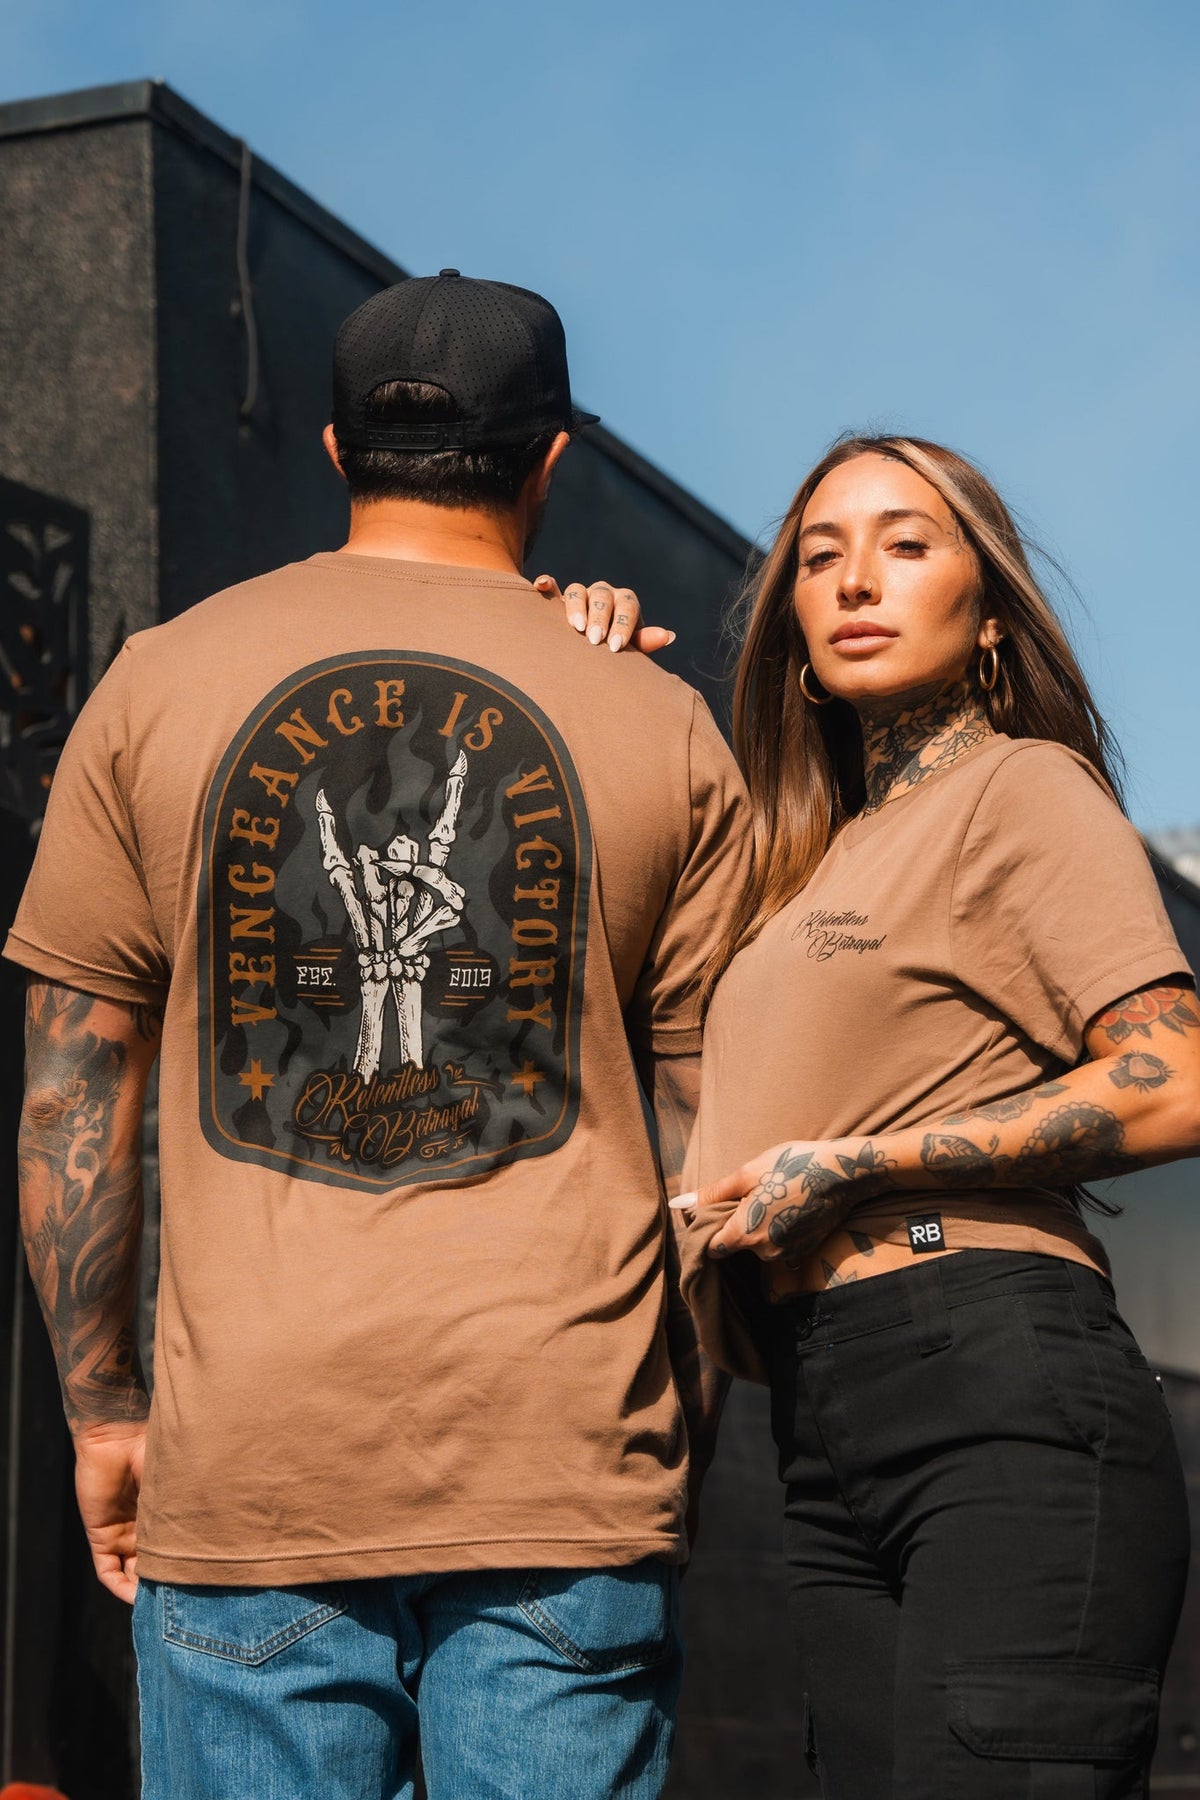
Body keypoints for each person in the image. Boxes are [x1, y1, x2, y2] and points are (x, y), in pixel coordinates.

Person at [8, 272, 749, 1800]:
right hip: (561, 1458)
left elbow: (72, 1087)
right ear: (551, 461)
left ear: (337, 450)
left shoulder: (156, 686)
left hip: (255, 1461)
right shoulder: (662, 721)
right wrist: (678, 1424)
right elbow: (716, 1136)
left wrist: (104, 1412)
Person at [555, 435, 1199, 1798]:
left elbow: (1178, 1075)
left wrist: (860, 1165)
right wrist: (571, 657)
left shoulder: (1022, 788)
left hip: (994, 1377)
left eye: (907, 544)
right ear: (791, 621)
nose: (857, 579)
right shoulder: (805, 864)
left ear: (990, 614)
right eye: (822, 555)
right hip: (821, 1413)